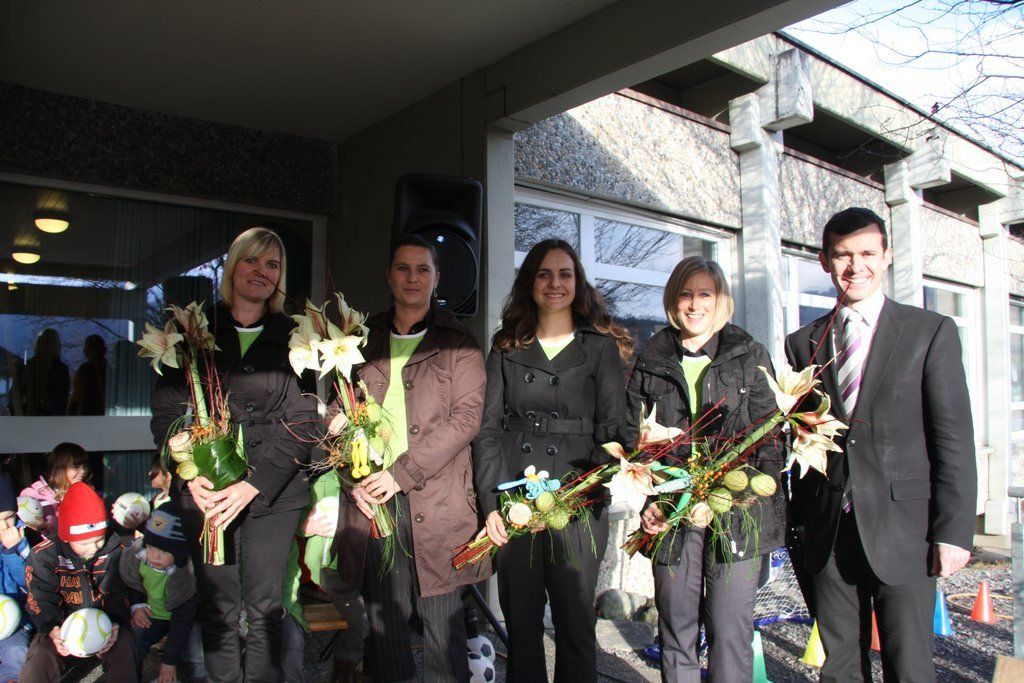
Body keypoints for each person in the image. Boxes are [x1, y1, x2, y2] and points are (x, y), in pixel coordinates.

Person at [784, 207, 976, 682]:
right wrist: (800, 520)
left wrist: (953, 531)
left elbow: (953, 438)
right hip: (829, 529)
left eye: (868, 253)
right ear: (825, 261)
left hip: (905, 530)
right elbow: (804, 438)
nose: (856, 266)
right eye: (843, 255)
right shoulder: (802, 343)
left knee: (908, 666)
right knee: (839, 667)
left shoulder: (929, 332)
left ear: (886, 256)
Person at [150, 226, 316, 683]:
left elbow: (304, 421)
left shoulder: (297, 337)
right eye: (252, 260)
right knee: (218, 607)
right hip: (205, 494)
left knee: (265, 608)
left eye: (272, 264)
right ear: (232, 267)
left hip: (273, 494)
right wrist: (189, 476)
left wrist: (253, 484)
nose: (261, 271)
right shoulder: (192, 333)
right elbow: (166, 416)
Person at [473, 238, 631, 682]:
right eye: (544, 274)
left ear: (578, 283)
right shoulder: (507, 345)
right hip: (516, 499)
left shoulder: (599, 347)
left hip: (577, 501)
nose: (555, 283)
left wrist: (580, 489)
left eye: (565, 274)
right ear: (530, 282)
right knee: (521, 626)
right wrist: (491, 504)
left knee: (576, 626)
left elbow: (615, 433)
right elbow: (487, 430)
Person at [333, 235, 487, 682]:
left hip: (438, 502)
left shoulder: (459, 341)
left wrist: (401, 474)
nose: (412, 278)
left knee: (442, 624)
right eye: (403, 268)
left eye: (423, 269)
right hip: (375, 501)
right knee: (385, 624)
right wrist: (352, 479)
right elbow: (339, 413)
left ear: (437, 278)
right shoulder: (362, 339)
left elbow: (467, 419)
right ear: (388, 276)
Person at [626, 257, 784, 683]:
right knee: (676, 630)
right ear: (673, 300)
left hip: (737, 513)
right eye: (685, 294)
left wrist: (733, 495)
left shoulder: (749, 355)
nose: (694, 304)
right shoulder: (653, 358)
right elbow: (631, 438)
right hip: (671, 513)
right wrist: (650, 497)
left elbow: (772, 441)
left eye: (705, 294)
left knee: (729, 632)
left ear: (721, 300)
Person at [21, 482, 136, 683]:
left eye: (99, 539)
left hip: (105, 623)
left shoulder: (117, 550)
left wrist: (117, 622)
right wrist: (51, 628)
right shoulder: (44, 555)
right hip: (61, 626)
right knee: (41, 654)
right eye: (84, 543)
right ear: (66, 537)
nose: (93, 548)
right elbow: (40, 596)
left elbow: (120, 592)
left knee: (124, 646)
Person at [119, 501, 200, 683]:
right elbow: (133, 584)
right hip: (152, 613)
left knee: (197, 657)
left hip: (186, 618)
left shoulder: (187, 575)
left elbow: (182, 618)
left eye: (164, 550)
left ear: (180, 552)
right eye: (150, 547)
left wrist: (168, 661)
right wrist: (137, 605)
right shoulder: (137, 557)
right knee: (132, 642)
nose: (155, 555)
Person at [20, 442, 91, 541]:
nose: (83, 471)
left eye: (84, 466)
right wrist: (44, 527)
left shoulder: (86, 491)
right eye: (76, 466)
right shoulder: (32, 495)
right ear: (59, 467)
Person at [0, 473, 31, 682]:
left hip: (13, 621)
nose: (5, 526)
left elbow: (28, 580)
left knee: (17, 652)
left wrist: (10, 553)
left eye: (9, 517)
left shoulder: (19, 538)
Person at [23, 329, 69, 416]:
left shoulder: (27, 367)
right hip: (52, 419)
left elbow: (15, 397)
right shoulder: (61, 369)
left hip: (28, 418)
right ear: (57, 345)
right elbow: (62, 400)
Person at [70, 334, 107, 416]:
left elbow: (77, 394)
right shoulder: (109, 369)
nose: (84, 350)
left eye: (86, 347)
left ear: (89, 350)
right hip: (104, 413)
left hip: (87, 413)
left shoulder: (84, 369)